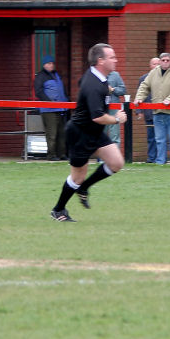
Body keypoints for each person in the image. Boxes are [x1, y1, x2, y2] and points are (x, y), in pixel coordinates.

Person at [50, 43, 127, 222]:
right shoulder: (94, 84)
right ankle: (58, 210)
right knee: (77, 177)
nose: (116, 60)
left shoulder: (99, 78)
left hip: (94, 132)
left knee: (116, 163)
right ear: (100, 61)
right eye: (112, 57)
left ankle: (83, 188)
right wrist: (117, 119)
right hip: (80, 134)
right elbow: (98, 117)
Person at [134, 52, 170, 165]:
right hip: (157, 111)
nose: (165, 62)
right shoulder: (153, 73)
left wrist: (169, 99)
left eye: (167, 60)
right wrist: (139, 98)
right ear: (160, 61)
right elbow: (144, 86)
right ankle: (160, 162)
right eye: (163, 60)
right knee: (159, 139)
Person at [34, 55, 68, 160]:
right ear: (44, 65)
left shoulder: (56, 75)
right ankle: (51, 155)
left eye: (52, 63)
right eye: (49, 63)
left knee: (62, 133)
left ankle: (61, 154)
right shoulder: (40, 76)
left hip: (60, 108)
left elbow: (62, 91)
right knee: (52, 133)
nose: (51, 65)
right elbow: (38, 91)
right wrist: (49, 102)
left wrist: (66, 102)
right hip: (48, 110)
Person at [135, 57, 161, 163]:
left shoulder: (164, 78)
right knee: (151, 137)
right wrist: (139, 111)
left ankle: (160, 158)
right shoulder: (144, 78)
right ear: (150, 66)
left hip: (161, 112)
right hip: (149, 113)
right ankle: (151, 158)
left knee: (160, 138)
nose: (156, 66)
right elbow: (139, 94)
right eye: (154, 64)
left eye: (157, 64)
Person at [104, 69, 127, 147]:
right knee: (101, 134)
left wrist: (113, 89)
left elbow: (123, 90)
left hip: (114, 109)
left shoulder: (115, 75)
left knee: (114, 135)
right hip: (101, 108)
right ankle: (101, 159)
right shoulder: (98, 75)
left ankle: (115, 158)